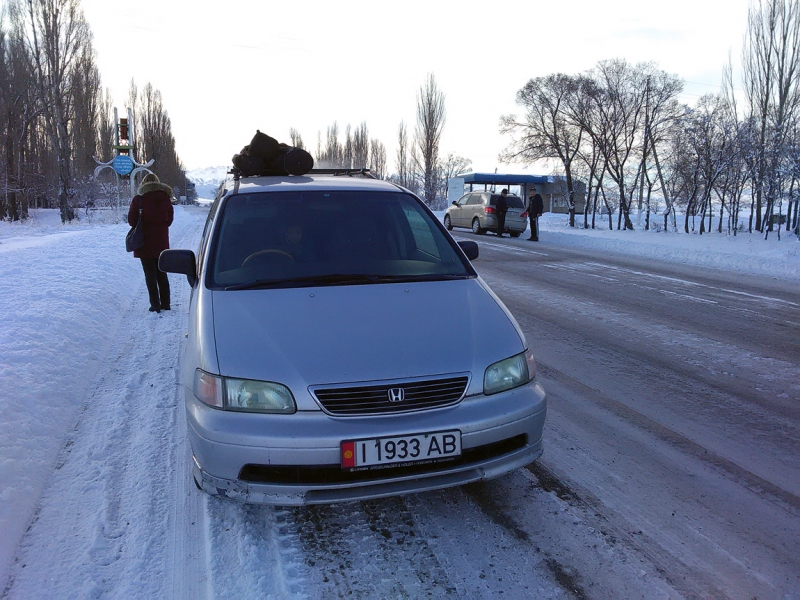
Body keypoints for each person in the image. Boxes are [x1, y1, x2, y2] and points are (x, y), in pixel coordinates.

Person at [128, 172, 174, 313]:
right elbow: (169, 221)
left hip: (144, 242)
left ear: (143, 184)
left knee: (150, 275)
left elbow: (131, 221)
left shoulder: (139, 199)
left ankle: (155, 305)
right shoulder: (165, 198)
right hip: (161, 242)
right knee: (162, 273)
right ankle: (166, 304)